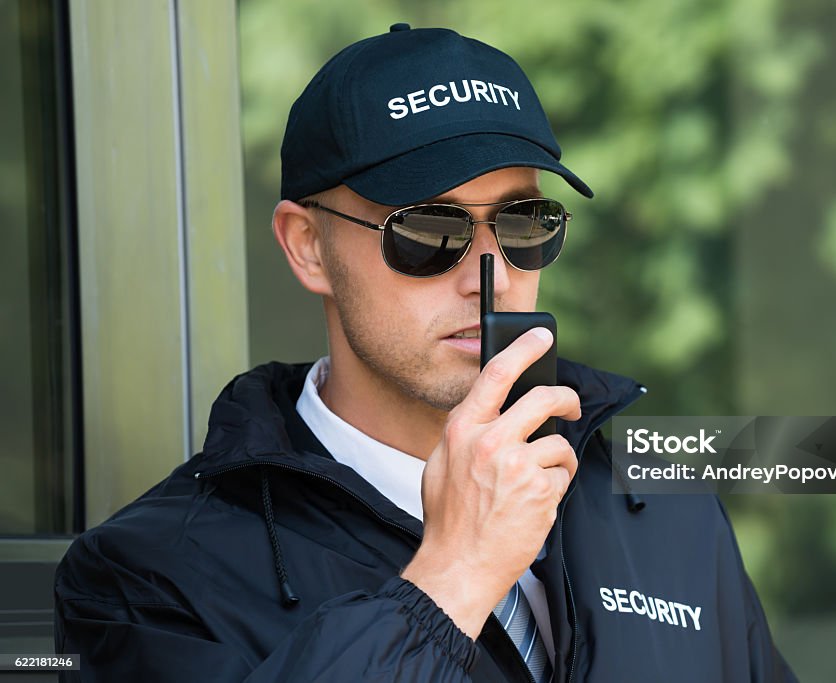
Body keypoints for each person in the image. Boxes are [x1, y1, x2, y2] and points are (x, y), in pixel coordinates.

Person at [55, 23, 796, 682]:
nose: (493, 275)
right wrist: (455, 573)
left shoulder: (660, 505)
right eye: (429, 231)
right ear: (308, 247)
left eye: (524, 222)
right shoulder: (147, 578)